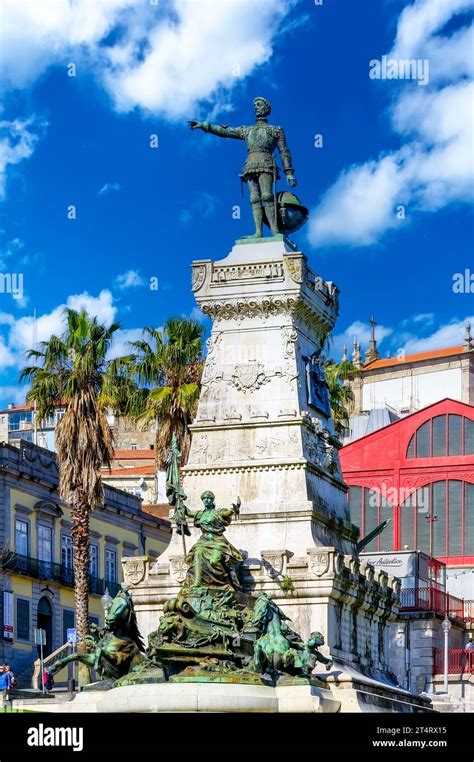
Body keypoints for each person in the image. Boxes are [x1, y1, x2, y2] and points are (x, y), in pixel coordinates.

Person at [189, 97, 297, 237]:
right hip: (250, 164)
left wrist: (289, 172)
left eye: (259, 105)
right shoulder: (247, 130)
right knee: (254, 198)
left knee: (267, 196)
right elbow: (225, 131)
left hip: (266, 163)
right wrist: (204, 125)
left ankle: (275, 230)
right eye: (255, 105)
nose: (256, 107)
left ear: (266, 108)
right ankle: (258, 232)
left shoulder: (276, 130)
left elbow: (284, 151)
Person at [182, 491, 243, 590]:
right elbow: (189, 513)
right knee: (198, 553)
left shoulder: (217, 512)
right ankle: (197, 581)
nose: (206, 500)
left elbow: (226, 513)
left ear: (212, 500)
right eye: (204, 498)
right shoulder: (200, 514)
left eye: (208, 498)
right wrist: (179, 503)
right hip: (203, 541)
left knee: (214, 561)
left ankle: (222, 584)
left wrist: (234, 509)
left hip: (218, 541)